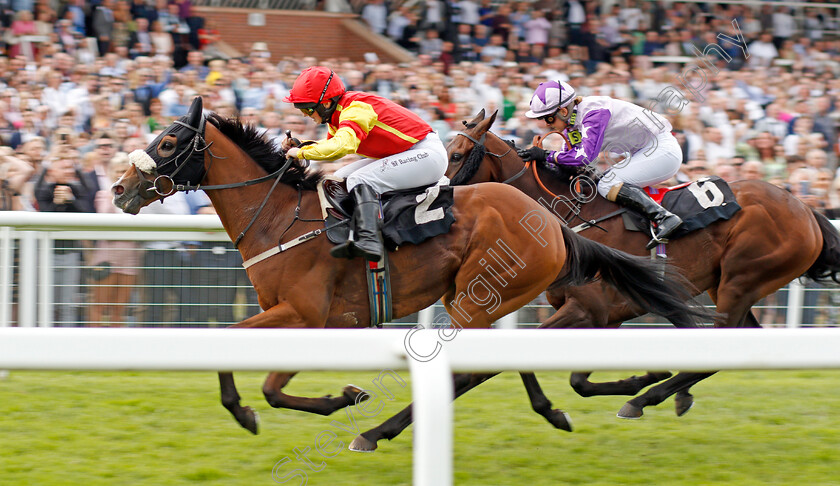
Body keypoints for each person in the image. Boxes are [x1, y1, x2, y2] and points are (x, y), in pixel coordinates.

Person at [282, 66, 448, 262]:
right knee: (337, 179)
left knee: (359, 179)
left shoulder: (356, 108)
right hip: (408, 152)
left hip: (426, 154)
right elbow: (331, 147)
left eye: (307, 108)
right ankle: (352, 233)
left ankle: (369, 240)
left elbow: (342, 147)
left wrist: (301, 152)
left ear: (326, 103)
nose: (304, 114)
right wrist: (302, 146)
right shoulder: (337, 115)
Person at [517, 79, 682, 249]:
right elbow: (569, 168)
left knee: (606, 184)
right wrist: (539, 163)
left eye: (548, 118)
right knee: (600, 184)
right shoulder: (572, 127)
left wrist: (546, 155)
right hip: (644, 152)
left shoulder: (593, 112)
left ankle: (664, 217)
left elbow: (583, 158)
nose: (546, 124)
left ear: (563, 111)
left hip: (662, 151)